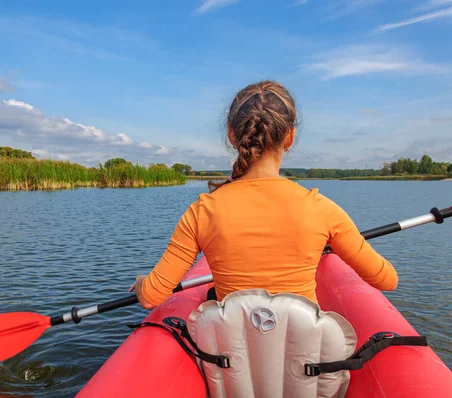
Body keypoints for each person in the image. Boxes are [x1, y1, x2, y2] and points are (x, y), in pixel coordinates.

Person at [129, 80, 398, 310]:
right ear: (290, 137)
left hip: (229, 365)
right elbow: (387, 280)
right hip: (305, 364)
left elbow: (153, 296)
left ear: (232, 135)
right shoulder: (321, 209)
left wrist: (143, 282)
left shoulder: (202, 211)